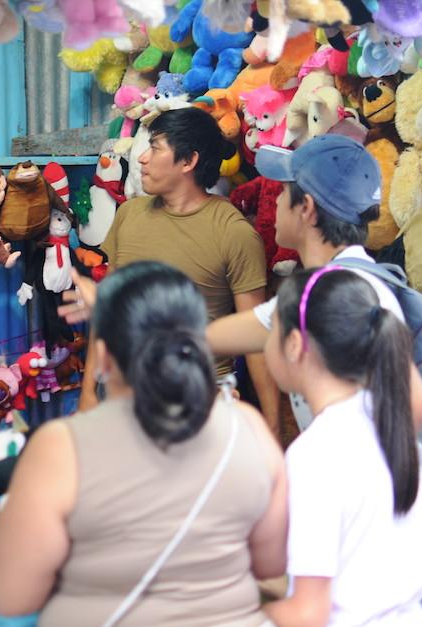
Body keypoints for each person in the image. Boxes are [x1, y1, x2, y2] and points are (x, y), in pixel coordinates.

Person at [207, 135, 422, 627]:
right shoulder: (330, 289)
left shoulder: (352, 293)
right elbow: (225, 336)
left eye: (284, 190)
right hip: (412, 554)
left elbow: (416, 407)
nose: (276, 199)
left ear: (306, 208)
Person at [0, 262, 288, 626]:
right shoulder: (247, 426)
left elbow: (11, 596)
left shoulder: (62, 447)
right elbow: (272, 562)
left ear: (104, 356)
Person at [74, 107, 278, 433]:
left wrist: (271, 434)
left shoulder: (233, 232)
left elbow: (257, 342)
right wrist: (87, 393)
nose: (141, 158)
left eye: (155, 147)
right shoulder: (130, 215)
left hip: (194, 407)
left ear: (188, 161)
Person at [264, 268, 422, 625]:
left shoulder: (315, 455)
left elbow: (307, 614)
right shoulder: (386, 416)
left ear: (294, 344)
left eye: (272, 328)